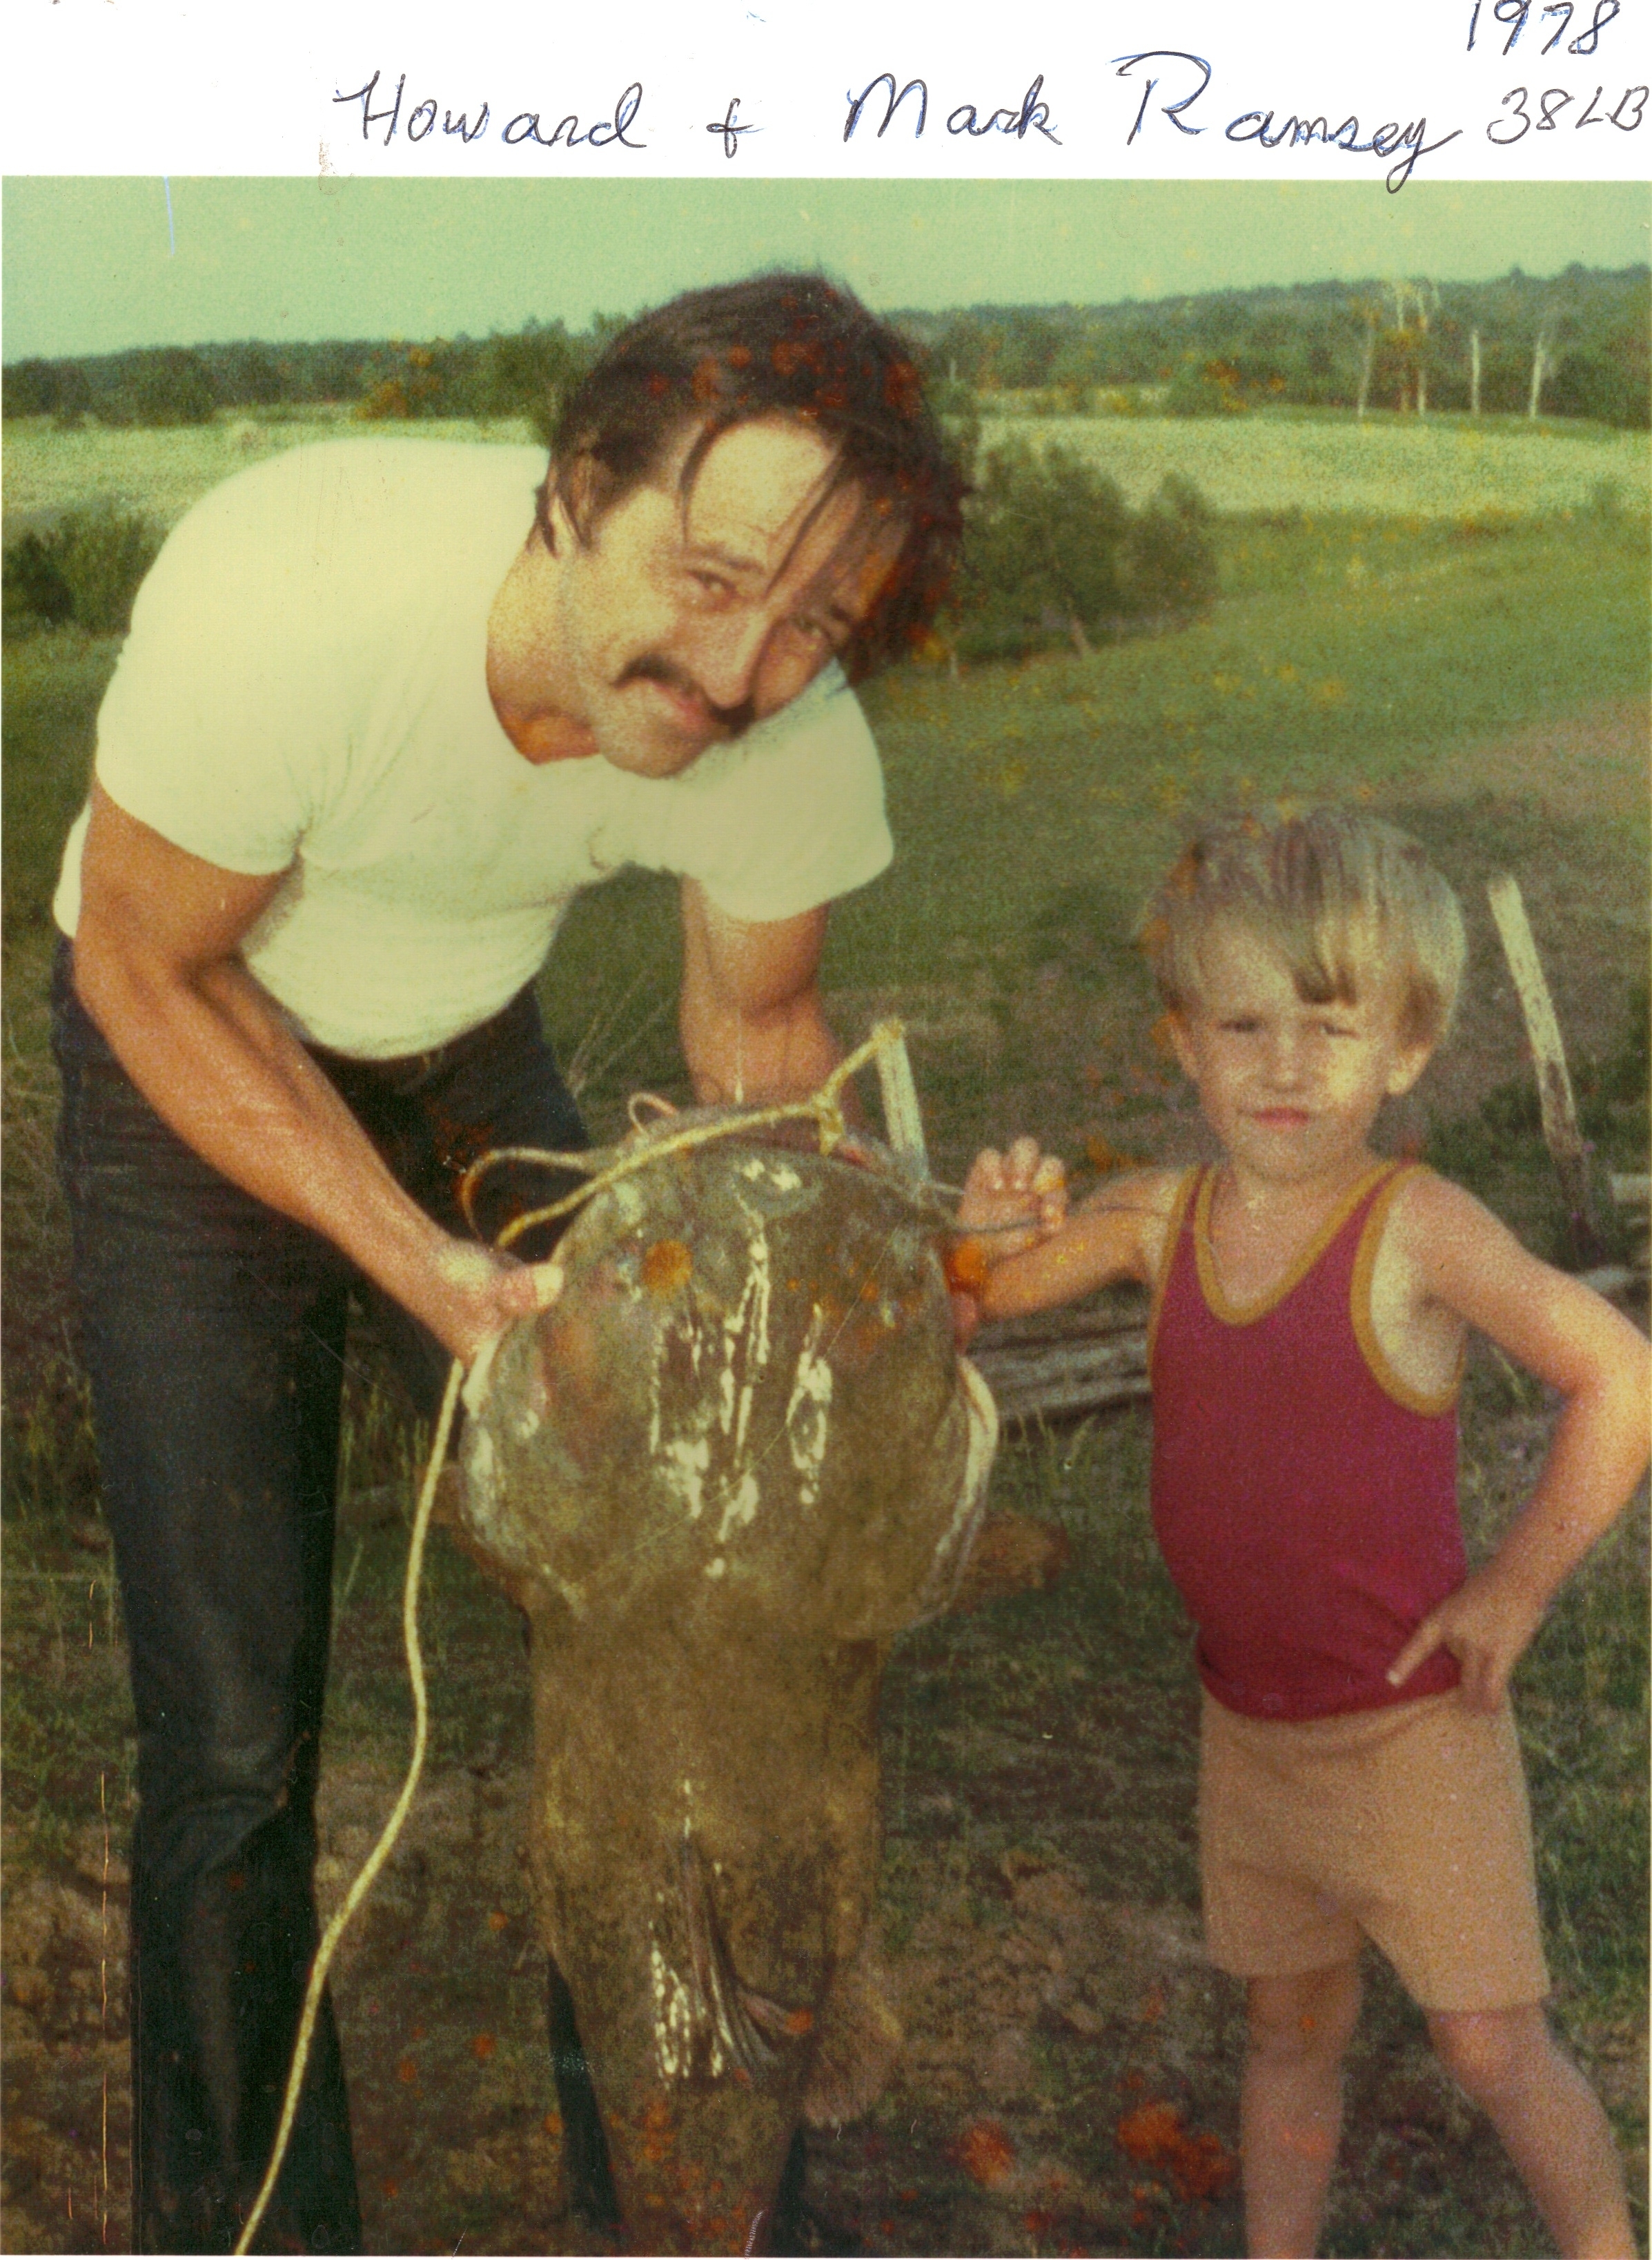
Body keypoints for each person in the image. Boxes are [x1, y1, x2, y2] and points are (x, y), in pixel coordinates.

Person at [49, 272, 965, 2252]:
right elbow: (139, 957)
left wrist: (883, 1253)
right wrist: (413, 1261)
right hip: (188, 1056)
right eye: (714, 577)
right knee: (230, 1732)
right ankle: (247, 2227)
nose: (740, 668)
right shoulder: (296, 599)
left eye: (820, 619)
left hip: (472, 1062)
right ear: (571, 493)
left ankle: (687, 2203)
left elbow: (762, 1069)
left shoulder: (788, 732)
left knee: (667, 1636)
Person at [954, 808, 1647, 2259]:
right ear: (1184, 1045)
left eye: (1329, 1027)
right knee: (1289, 2031)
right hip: (1250, 1732)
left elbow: (1621, 1373)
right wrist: (985, 1234)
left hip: (1411, 1728)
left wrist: (1515, 1588)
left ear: (1404, 1049)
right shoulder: (1160, 1217)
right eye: (1246, 1023)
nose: (1283, 1065)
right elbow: (983, 1299)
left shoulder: (1418, 1227)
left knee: (1487, 2046)